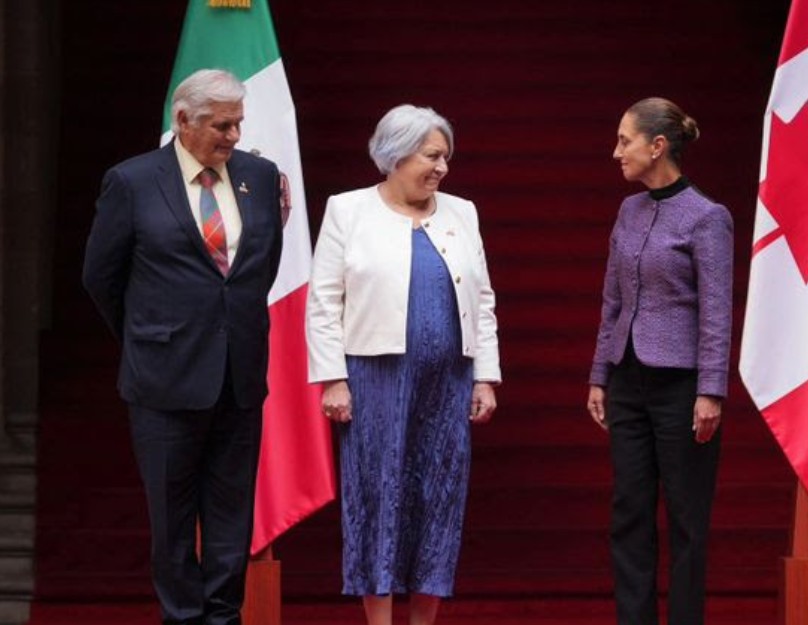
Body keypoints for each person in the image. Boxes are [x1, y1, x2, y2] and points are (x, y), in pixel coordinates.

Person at [82, 69, 283, 625]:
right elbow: (101, 277)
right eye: (221, 125)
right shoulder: (132, 181)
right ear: (183, 121)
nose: (233, 136)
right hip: (164, 380)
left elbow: (257, 270)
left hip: (239, 374)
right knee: (171, 520)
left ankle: (224, 617)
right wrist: (151, 337)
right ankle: (182, 618)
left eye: (238, 123)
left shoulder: (261, 177)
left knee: (230, 515)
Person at [306, 104, 501, 625]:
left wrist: (485, 375)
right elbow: (324, 300)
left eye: (446, 157)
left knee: (438, 497)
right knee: (377, 498)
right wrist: (333, 380)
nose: (442, 167)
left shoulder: (463, 211)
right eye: (432, 155)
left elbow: (482, 299)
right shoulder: (347, 209)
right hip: (374, 381)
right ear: (396, 155)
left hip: (448, 382)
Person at [586, 97, 733, 625]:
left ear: (657, 146)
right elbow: (613, 301)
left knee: (687, 519)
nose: (616, 151)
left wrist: (711, 391)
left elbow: (716, 311)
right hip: (628, 379)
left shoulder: (708, 217)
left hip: (682, 387)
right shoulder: (629, 210)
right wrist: (600, 374)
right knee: (629, 512)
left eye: (624, 141)